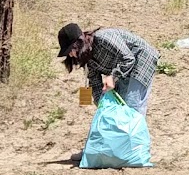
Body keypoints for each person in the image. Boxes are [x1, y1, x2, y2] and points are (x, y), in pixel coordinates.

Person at [57, 23, 159, 160]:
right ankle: (98, 150)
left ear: (79, 43)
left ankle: (134, 152)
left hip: (141, 61)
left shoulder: (103, 39)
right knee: (114, 112)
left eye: (70, 50)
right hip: (124, 72)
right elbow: (95, 83)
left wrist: (113, 77)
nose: (70, 54)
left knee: (132, 107)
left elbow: (128, 58)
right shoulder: (88, 60)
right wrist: (103, 108)